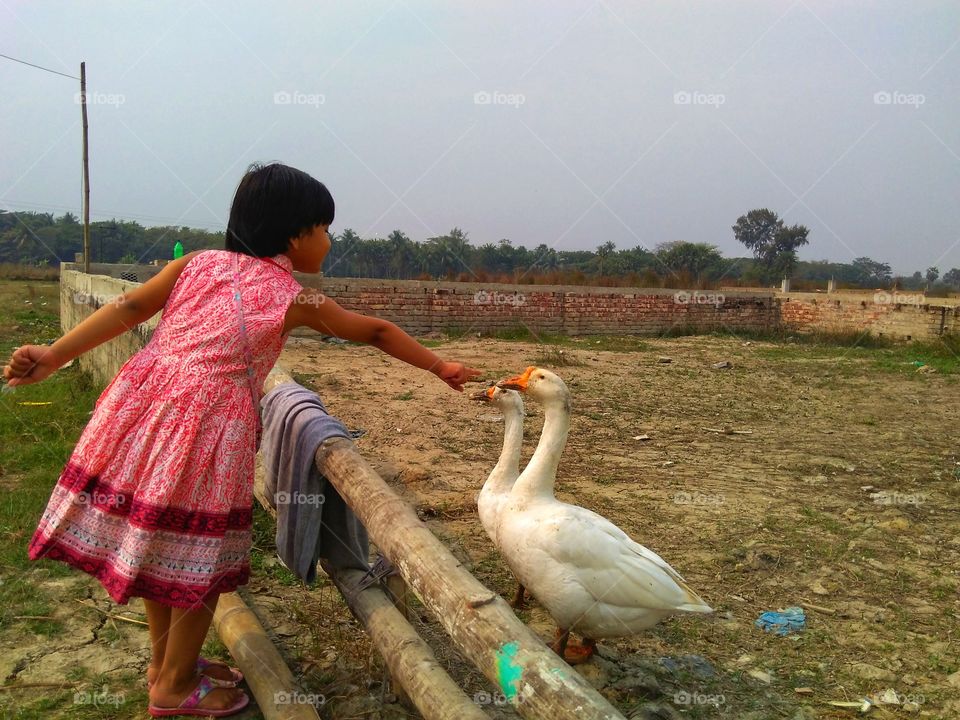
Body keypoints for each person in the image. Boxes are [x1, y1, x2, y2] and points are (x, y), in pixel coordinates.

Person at [2, 163, 481, 717]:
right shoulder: (292, 298)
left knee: (164, 544)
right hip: (207, 426)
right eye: (325, 228)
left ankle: (166, 665)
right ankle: (175, 689)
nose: (329, 239)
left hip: (138, 408)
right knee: (199, 559)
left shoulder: (195, 264)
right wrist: (438, 364)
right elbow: (373, 330)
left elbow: (127, 307)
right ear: (296, 235)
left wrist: (54, 355)